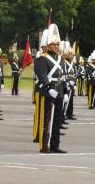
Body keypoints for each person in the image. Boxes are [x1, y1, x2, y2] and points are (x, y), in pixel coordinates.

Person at [34, 24, 65, 153]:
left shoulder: (60, 59)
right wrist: (48, 88)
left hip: (59, 91)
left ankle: (55, 145)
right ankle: (44, 144)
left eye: (57, 45)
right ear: (48, 45)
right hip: (48, 92)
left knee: (57, 120)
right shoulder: (42, 58)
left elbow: (62, 77)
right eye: (53, 44)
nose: (56, 47)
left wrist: (66, 92)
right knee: (46, 119)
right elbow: (41, 75)